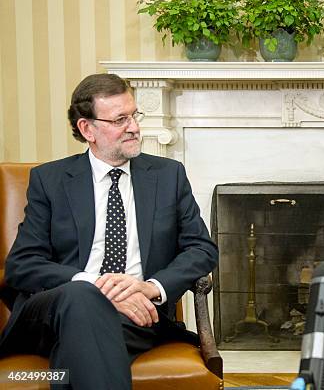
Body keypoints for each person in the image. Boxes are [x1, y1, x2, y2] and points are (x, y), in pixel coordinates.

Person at [0, 73, 219, 389]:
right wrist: (99, 288)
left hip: (138, 316)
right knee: (81, 295)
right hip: (53, 311)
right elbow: (22, 265)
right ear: (87, 129)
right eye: (120, 120)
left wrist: (151, 287)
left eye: (134, 115)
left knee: (77, 347)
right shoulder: (51, 180)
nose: (134, 127)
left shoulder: (168, 176)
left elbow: (202, 248)